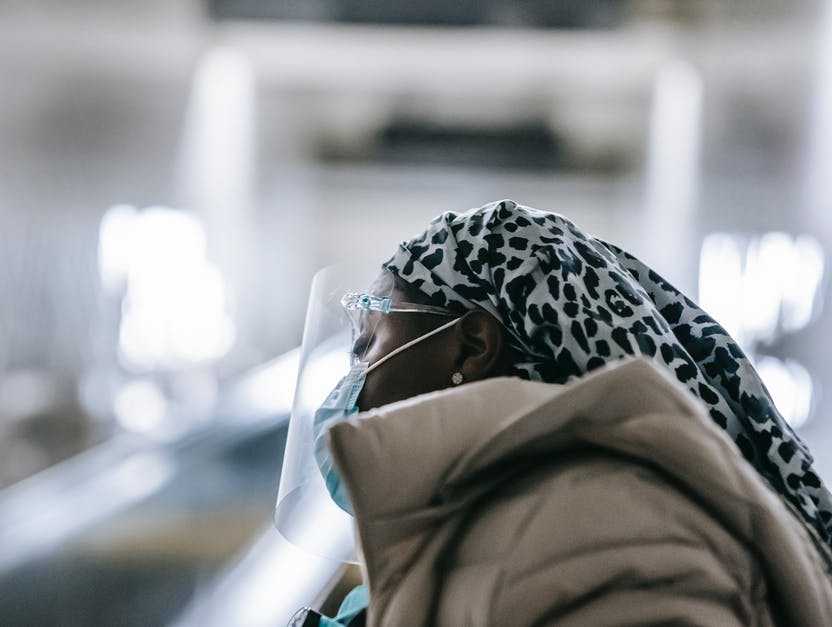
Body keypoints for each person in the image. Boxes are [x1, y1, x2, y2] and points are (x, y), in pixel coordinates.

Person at [286, 200, 832, 626]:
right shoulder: (514, 520)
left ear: (471, 346)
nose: (348, 383)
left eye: (367, 344)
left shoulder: (613, 532)